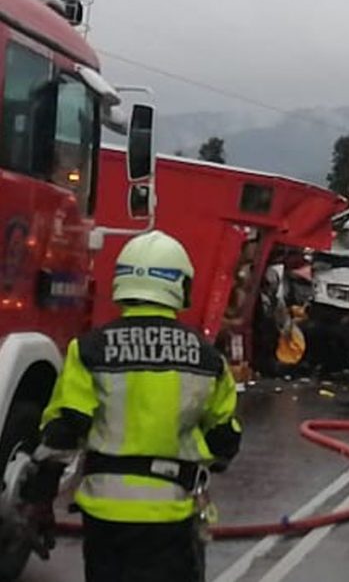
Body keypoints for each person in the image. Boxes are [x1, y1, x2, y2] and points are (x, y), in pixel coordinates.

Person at [20, 230, 241, 582]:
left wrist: (40, 499)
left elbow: (64, 430)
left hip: (104, 515)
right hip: (171, 515)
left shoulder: (88, 350)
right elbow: (224, 440)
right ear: (180, 285)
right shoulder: (206, 358)